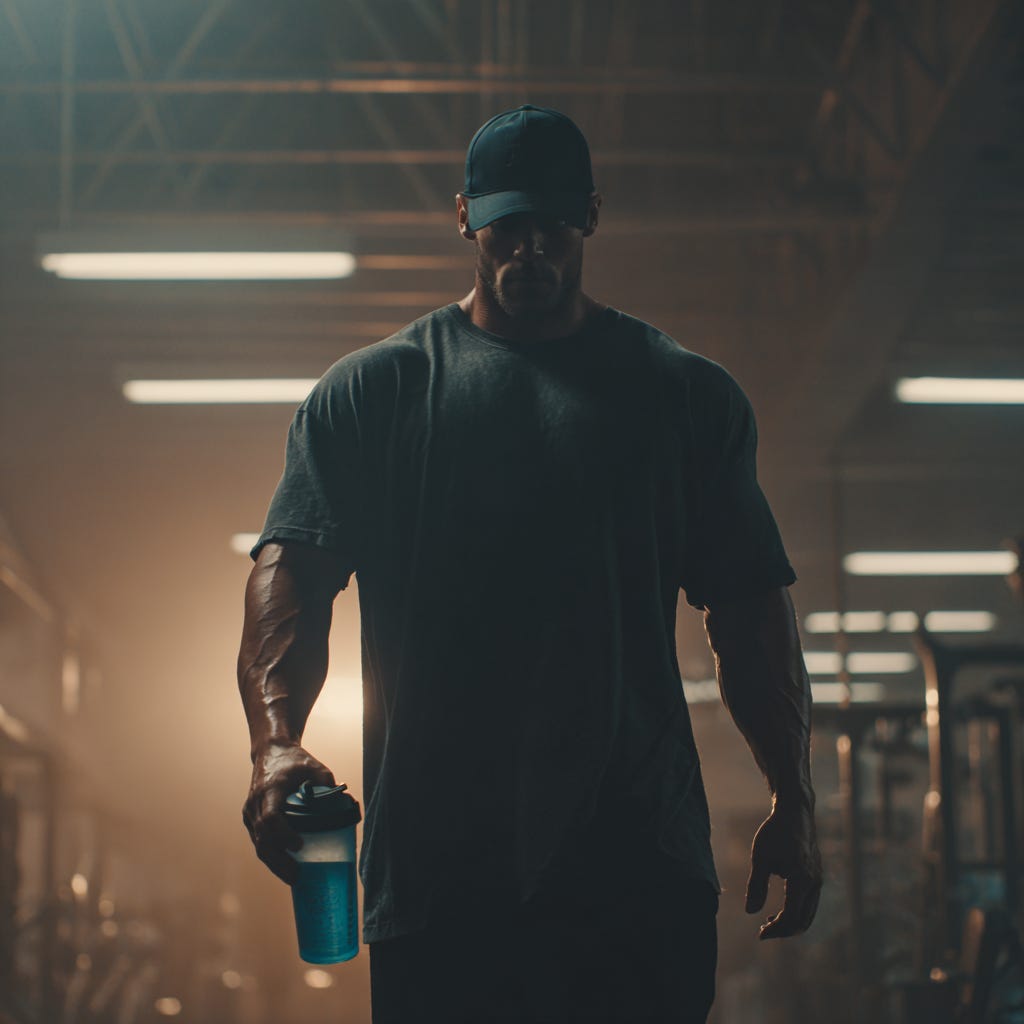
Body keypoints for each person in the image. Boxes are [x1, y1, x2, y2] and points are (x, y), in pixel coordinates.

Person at [238, 104, 823, 1024]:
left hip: (635, 865)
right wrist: (275, 742)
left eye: (552, 223)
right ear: (465, 218)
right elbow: (290, 574)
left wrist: (795, 792)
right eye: (507, 225)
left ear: (590, 215)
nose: (531, 248)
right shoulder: (375, 394)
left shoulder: (684, 397)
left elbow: (751, 608)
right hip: (441, 875)